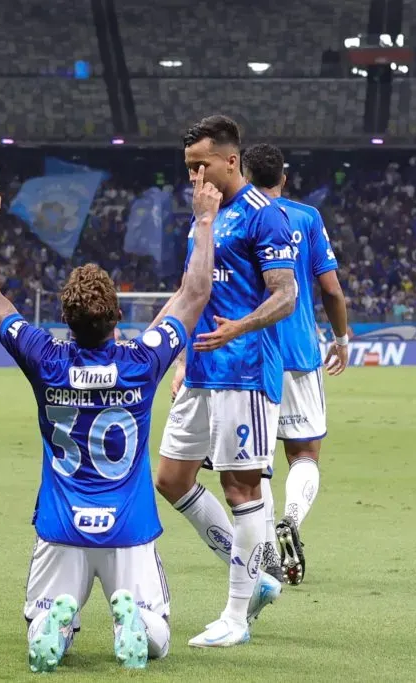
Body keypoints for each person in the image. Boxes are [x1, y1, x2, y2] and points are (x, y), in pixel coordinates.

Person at [0, 165, 220, 672]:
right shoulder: (141, 362)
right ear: (115, 319)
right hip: (128, 526)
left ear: (66, 318)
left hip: (61, 526)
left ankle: (55, 628)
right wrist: (205, 220)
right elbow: (194, 295)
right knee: (159, 636)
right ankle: (135, 625)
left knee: (40, 627)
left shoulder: (46, 359)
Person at [150, 115, 298, 648]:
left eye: (201, 166)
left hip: (245, 370)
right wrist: (157, 346)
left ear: (230, 160)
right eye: (188, 168)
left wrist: (240, 325)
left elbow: (287, 294)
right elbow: (192, 289)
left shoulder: (266, 216)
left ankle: (237, 615)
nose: (193, 177)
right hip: (201, 368)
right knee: (170, 480)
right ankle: (255, 573)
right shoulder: (203, 216)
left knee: (241, 487)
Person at [242, 143, 350, 586]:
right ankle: (291, 519)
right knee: (304, 454)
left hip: (251, 355)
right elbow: (331, 290)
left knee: (257, 464)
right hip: (301, 352)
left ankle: (266, 543)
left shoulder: (238, 217)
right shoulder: (306, 217)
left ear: (245, 176)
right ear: (284, 177)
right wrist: (341, 338)